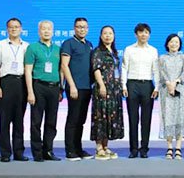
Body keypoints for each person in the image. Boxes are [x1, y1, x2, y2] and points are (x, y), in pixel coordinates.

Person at [0, 18, 29, 163]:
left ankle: (19, 152)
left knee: (19, 121)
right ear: (7, 29)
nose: (14, 29)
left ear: (21, 29)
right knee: (4, 120)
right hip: (5, 82)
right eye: (11, 27)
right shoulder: (0, 45)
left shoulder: (27, 46)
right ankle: (5, 153)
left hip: (21, 84)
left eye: (17, 27)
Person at [24, 20, 62, 162]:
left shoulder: (58, 49)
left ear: (53, 31)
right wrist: (30, 91)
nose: (46, 31)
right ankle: (37, 152)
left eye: (49, 29)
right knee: (36, 121)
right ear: (39, 31)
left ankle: (48, 151)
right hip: (38, 87)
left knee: (51, 121)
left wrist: (61, 88)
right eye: (43, 29)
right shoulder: (32, 48)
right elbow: (28, 71)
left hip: (54, 87)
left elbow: (61, 70)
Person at [122, 23, 159, 158]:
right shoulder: (129, 49)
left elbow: (156, 70)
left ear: (149, 35)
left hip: (147, 85)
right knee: (133, 119)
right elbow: (124, 68)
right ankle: (133, 149)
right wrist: (123, 85)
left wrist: (157, 87)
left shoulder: (153, 50)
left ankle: (144, 149)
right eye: (141, 32)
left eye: (146, 32)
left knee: (146, 119)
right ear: (136, 34)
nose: (144, 35)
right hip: (132, 85)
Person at [61, 17, 94, 161]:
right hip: (75, 87)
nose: (82, 29)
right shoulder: (68, 43)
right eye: (79, 27)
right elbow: (64, 65)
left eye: (84, 27)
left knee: (81, 120)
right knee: (73, 119)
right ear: (74, 28)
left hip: (87, 87)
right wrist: (72, 85)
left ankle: (78, 148)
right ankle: (70, 150)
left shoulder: (89, 44)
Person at [91, 25, 124, 160]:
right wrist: (101, 85)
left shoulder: (114, 52)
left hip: (114, 89)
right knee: (101, 116)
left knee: (110, 117)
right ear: (101, 36)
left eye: (110, 33)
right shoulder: (98, 51)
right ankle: (99, 147)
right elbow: (96, 69)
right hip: (103, 88)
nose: (108, 36)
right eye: (105, 33)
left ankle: (105, 146)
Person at [159, 34, 184, 160]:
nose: (174, 44)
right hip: (166, 91)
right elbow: (161, 73)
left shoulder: (183, 57)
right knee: (168, 118)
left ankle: (178, 147)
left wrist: (176, 82)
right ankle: (169, 147)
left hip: (180, 90)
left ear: (180, 44)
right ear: (167, 44)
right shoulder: (162, 58)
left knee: (180, 118)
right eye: (171, 42)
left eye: (176, 42)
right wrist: (168, 84)